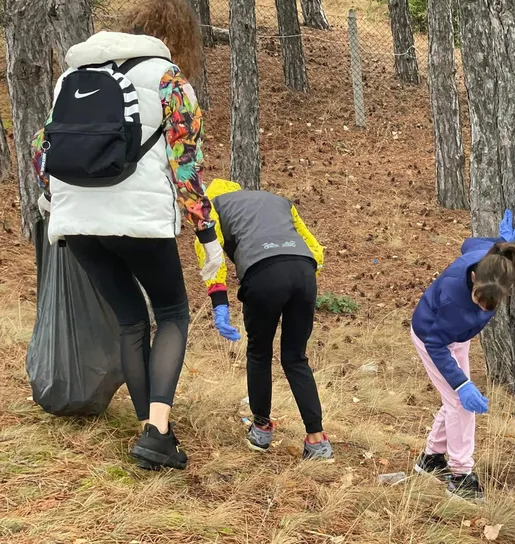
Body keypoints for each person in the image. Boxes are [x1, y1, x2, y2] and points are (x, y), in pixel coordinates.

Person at [31, 0, 222, 470]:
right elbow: (186, 166)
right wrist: (208, 237)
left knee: (131, 321)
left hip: (77, 223)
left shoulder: (70, 78)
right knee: (172, 314)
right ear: (171, 39)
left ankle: (150, 433)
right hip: (140, 220)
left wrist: (53, 197)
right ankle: (157, 431)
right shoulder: (168, 79)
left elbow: (42, 147)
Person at [194, 179, 333, 460]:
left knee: (259, 353)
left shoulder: (211, 208)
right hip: (303, 271)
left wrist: (219, 302)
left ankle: (261, 429)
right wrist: (299, 281)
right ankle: (317, 440)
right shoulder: (275, 199)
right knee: (296, 357)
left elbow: (210, 254)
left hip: (263, 274)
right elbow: (314, 248)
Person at [411, 210, 515, 501]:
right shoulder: (453, 298)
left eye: (491, 303)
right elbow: (436, 345)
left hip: (456, 337)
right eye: (479, 298)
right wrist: (462, 384)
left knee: (454, 401)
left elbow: (469, 243)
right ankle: (461, 475)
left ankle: (431, 458)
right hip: (432, 338)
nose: (482, 307)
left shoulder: (491, 261)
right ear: (474, 277)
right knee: (459, 402)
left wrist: (500, 240)